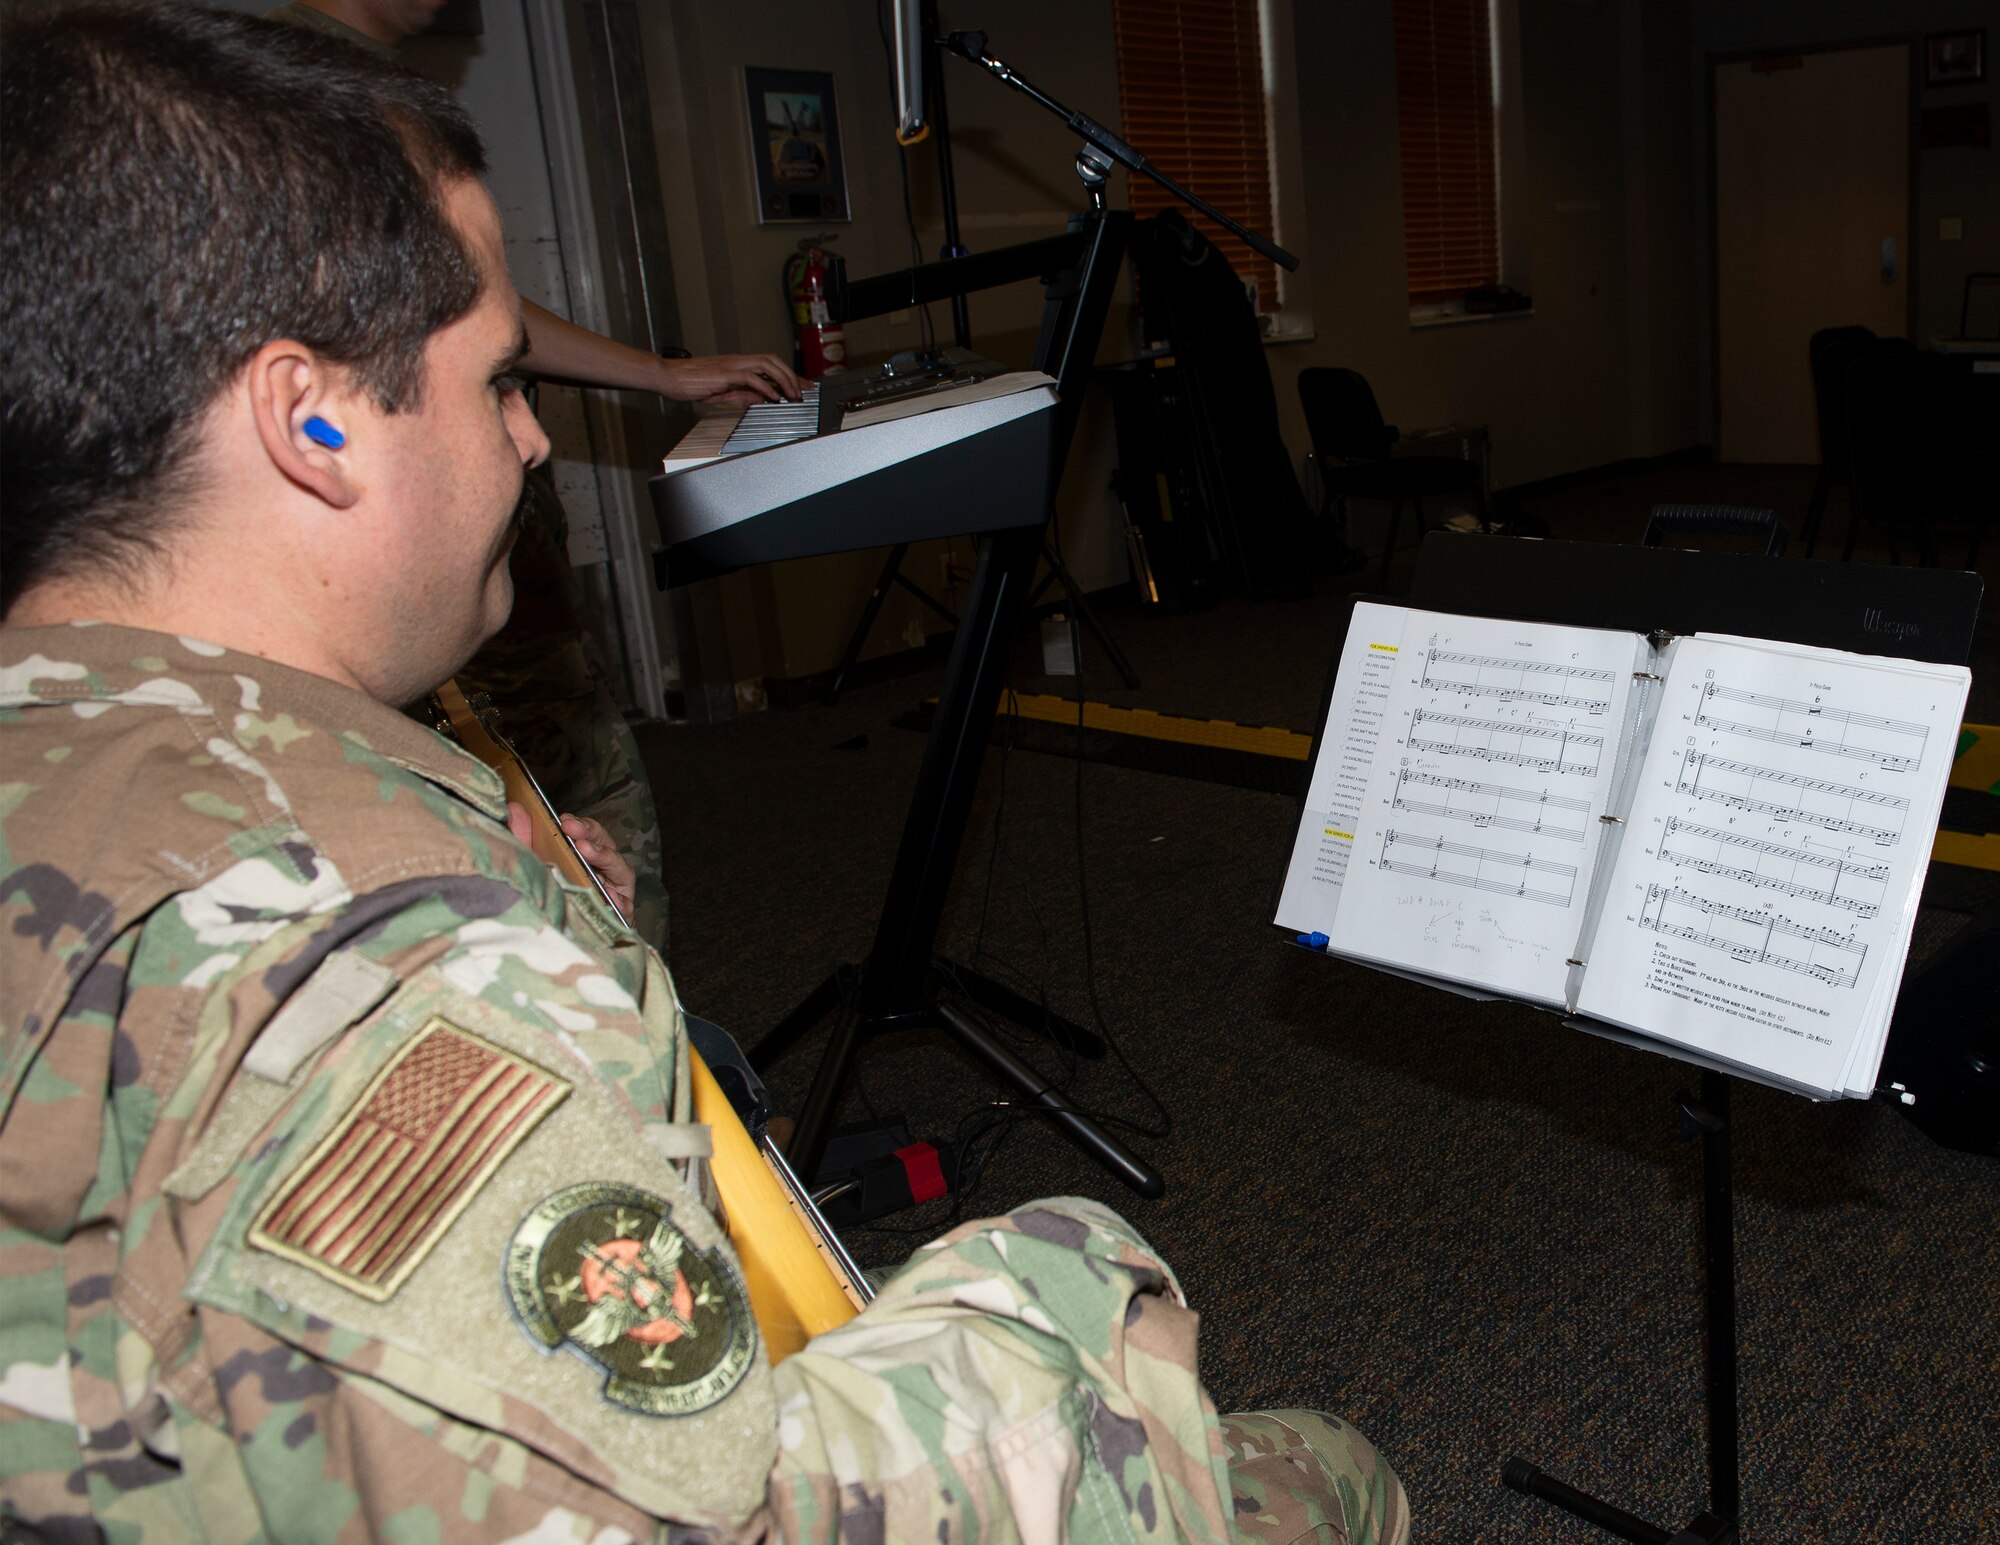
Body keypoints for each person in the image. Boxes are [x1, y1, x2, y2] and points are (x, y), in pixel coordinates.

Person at [0, 7, 1410, 1541]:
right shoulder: (397, 964)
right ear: (310, 420)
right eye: (496, 383)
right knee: (1322, 1470)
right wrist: (1056, 1284)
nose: (537, 444)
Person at [270, 0, 807, 963]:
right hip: (407, 572)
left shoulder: (333, 80)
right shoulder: (306, 94)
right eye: (498, 394)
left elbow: (483, 315)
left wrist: (656, 373)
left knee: (563, 820)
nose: (531, 439)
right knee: (561, 796)